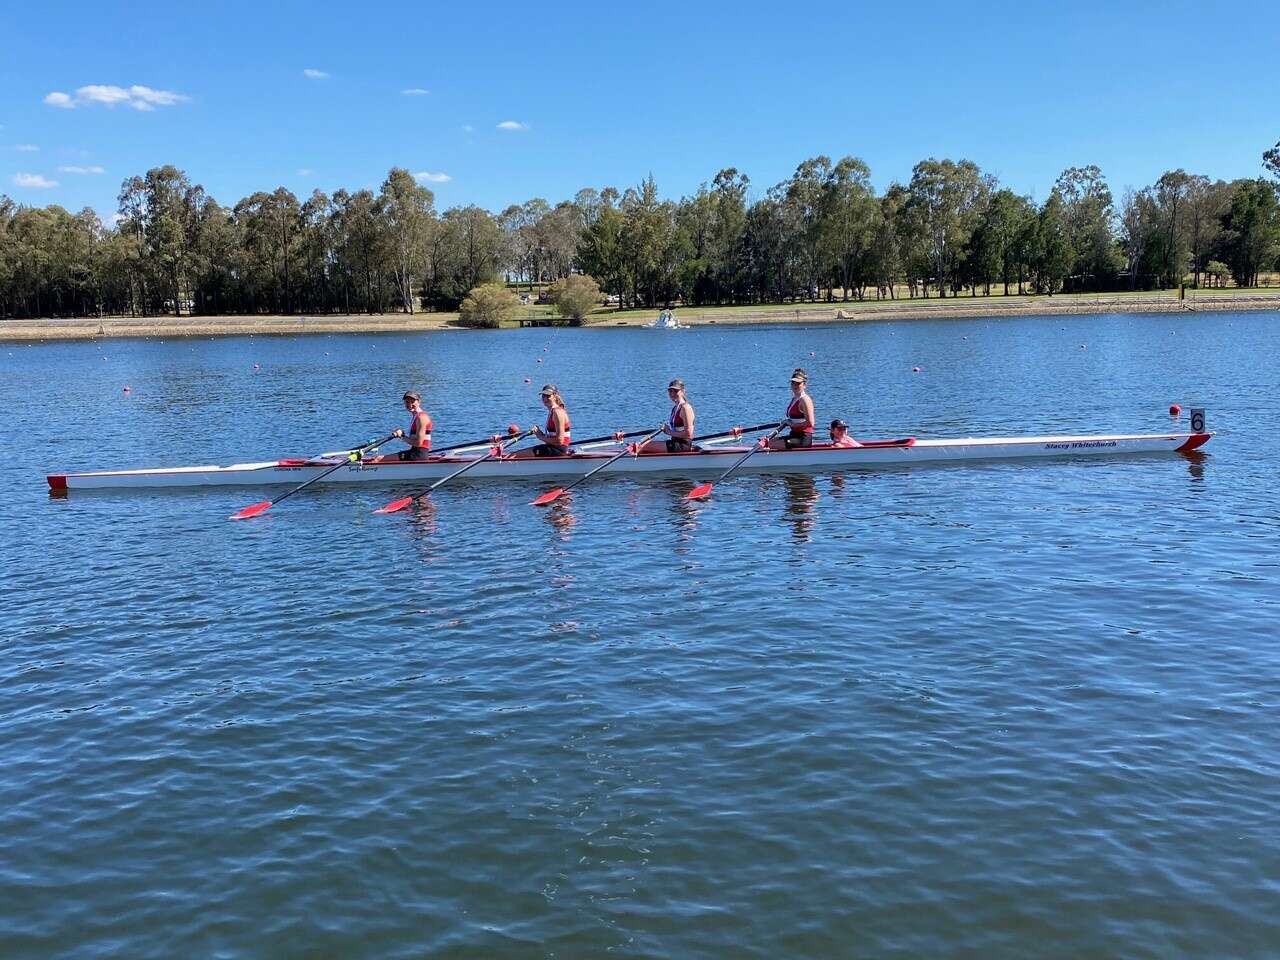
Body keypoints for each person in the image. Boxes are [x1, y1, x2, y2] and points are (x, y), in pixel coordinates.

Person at [773, 368, 815, 449]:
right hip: (794, 435)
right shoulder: (795, 398)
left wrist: (792, 424)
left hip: (803, 439)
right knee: (770, 441)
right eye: (793, 382)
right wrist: (786, 422)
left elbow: (810, 423)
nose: (795, 385)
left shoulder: (805, 400)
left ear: (805, 385)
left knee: (770, 444)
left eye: (798, 383)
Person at [530, 384, 572, 456]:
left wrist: (540, 437)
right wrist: (540, 434)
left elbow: (560, 441)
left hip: (559, 450)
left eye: (548, 396)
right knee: (516, 454)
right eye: (543, 396)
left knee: (514, 455)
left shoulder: (557, 412)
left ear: (555, 395)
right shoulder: (553, 411)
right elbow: (554, 438)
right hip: (555, 448)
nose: (545, 399)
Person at [390, 391, 433, 461]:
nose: (410, 405)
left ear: (419, 402)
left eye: (412, 402)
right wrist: (402, 435)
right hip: (415, 452)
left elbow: (418, 443)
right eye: (407, 402)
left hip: (418, 455)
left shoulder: (421, 417)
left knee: (378, 459)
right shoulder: (416, 416)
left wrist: (402, 436)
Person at [660, 379, 696, 452]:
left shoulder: (686, 408)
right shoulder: (675, 408)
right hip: (675, 443)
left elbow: (688, 434)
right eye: (670, 391)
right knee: (644, 445)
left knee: (644, 447)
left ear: (683, 392)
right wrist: (667, 429)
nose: (672, 393)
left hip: (683, 445)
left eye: (676, 391)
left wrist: (668, 432)